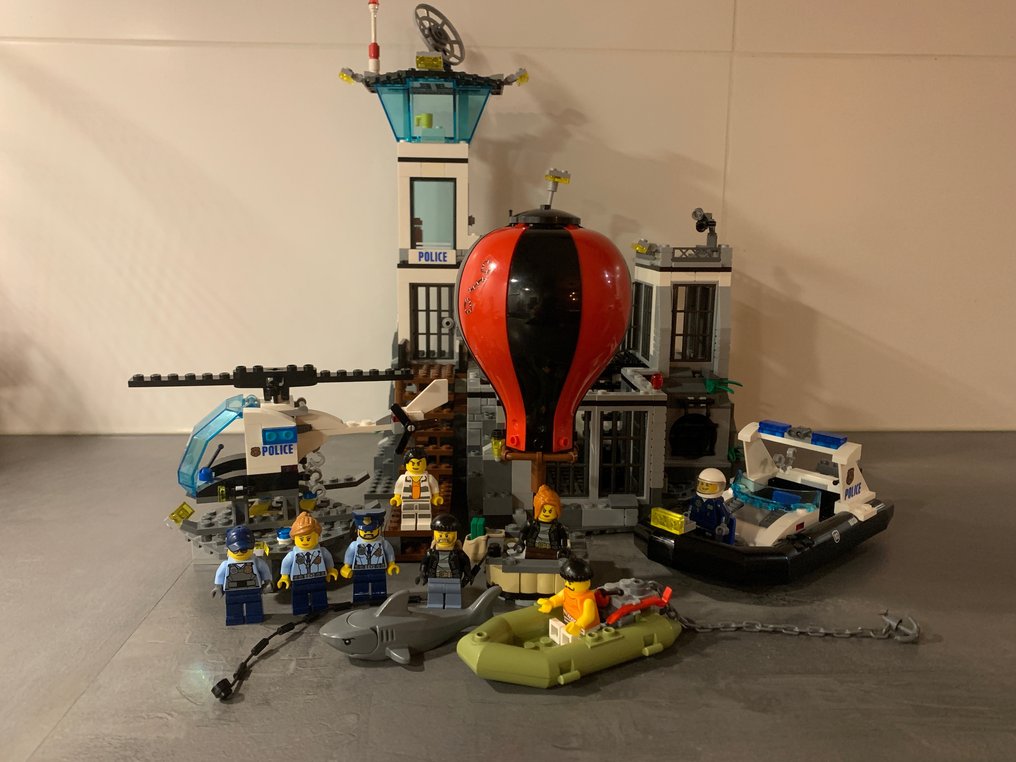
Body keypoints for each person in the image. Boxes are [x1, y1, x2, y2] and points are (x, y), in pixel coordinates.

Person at [277, 511, 339, 615]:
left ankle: (320, 608)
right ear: (295, 538)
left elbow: (328, 559)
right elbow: (286, 563)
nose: (305, 541)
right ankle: (301, 609)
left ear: (317, 536)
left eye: (309, 538)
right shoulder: (293, 554)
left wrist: (331, 570)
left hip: (318, 577)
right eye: (301, 539)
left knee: (319, 594)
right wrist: (284, 577)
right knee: (299, 596)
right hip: (299, 579)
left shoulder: (322, 551)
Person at [212, 525, 272, 626]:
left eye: (243, 549)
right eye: (235, 549)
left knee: (254, 606)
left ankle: (254, 617)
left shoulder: (257, 562)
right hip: (232, 591)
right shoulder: (226, 564)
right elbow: (220, 575)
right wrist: (218, 587)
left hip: (252, 590)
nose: (239, 552)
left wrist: (267, 583)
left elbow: (265, 570)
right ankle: (234, 618)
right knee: (233, 607)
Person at [537, 556, 600, 644]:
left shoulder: (587, 600)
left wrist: (578, 625)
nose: (566, 584)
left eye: (570, 582)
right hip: (570, 622)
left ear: (585, 582)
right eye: (566, 581)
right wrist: (550, 602)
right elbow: (559, 597)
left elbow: (588, 616)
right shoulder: (567, 591)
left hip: (586, 629)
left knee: (578, 642)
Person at [341, 509, 399, 604]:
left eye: (372, 530)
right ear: (357, 530)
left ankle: (379, 599)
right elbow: (349, 555)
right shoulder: (354, 545)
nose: (368, 533)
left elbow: (389, 553)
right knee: (360, 585)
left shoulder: (383, 543)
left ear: (379, 529)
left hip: (378, 569)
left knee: (379, 585)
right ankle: (361, 599)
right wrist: (346, 567)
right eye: (364, 531)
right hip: (360, 570)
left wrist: (391, 564)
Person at [418, 513, 471, 609]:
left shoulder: (459, 554)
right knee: (434, 597)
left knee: (453, 598)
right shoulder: (431, 553)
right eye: (440, 534)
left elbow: (466, 564)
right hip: (434, 580)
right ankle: (435, 607)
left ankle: (453, 607)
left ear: (455, 535)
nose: (443, 538)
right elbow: (424, 563)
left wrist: (467, 577)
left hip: (453, 580)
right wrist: (423, 574)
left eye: (447, 535)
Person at [390, 447, 443, 531]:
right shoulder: (403, 478)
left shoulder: (429, 478)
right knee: (408, 514)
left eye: (419, 463)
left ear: (425, 464)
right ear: (406, 464)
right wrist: (396, 497)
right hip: (407, 501)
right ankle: (408, 524)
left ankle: (424, 523)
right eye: (412, 463)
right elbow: (398, 489)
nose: (416, 466)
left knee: (424, 514)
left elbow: (435, 487)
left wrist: (436, 497)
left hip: (424, 500)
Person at [517, 484, 569, 559]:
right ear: (538, 509)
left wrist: (564, 548)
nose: (547, 513)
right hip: (532, 550)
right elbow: (523, 532)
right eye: (544, 510)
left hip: (552, 552)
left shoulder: (558, 527)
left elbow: (563, 537)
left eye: (550, 511)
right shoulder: (531, 523)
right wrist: (520, 541)